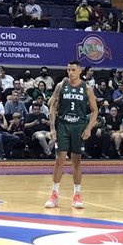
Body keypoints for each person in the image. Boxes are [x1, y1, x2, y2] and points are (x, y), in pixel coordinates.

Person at [46, 61, 98, 209]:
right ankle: (54, 194)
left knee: (76, 161)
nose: (70, 72)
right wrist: (52, 128)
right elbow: (52, 107)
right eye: (68, 70)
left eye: (73, 70)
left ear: (80, 71)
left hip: (79, 126)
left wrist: (88, 128)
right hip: (63, 125)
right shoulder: (61, 86)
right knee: (60, 159)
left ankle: (77, 195)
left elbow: (95, 110)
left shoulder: (87, 88)